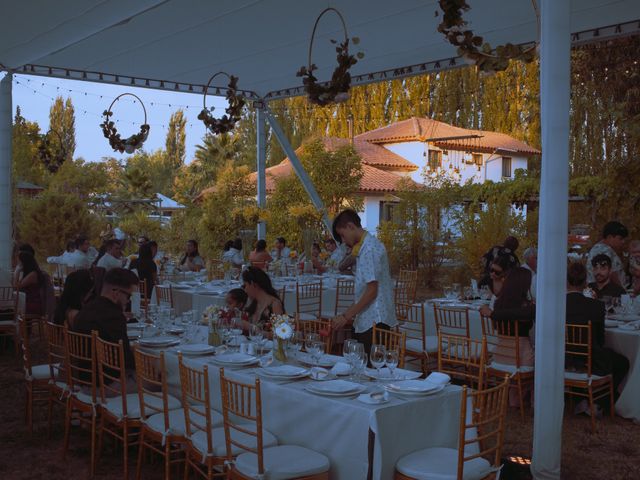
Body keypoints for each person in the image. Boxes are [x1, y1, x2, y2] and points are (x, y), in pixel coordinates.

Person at [565, 262, 629, 415]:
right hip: (590, 361)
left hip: (564, 359)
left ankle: (580, 399)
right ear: (585, 282)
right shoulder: (596, 306)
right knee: (623, 362)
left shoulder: (557, 305)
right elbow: (600, 340)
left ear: (566, 282)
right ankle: (599, 402)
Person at [330, 209, 397, 354]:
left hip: (375, 318)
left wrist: (345, 316)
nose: (343, 240)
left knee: (372, 369)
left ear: (350, 226)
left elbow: (372, 291)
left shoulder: (369, 249)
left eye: (342, 235)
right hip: (368, 317)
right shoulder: (366, 246)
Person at [73, 268, 139, 391]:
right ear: (115, 292)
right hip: (107, 385)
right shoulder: (113, 316)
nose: (129, 301)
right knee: (162, 380)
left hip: (83, 379)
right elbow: (126, 361)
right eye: (129, 296)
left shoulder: (86, 309)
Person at [587, 221, 628, 286]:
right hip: (607, 293)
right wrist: (621, 290)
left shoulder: (602, 248)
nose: (623, 242)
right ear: (609, 237)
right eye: (620, 238)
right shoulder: (604, 251)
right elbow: (612, 274)